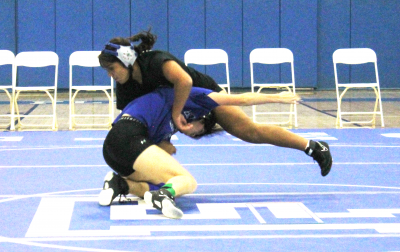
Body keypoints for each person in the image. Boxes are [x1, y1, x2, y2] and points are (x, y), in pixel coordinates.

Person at [99, 85, 321, 219]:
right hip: (127, 138)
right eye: (198, 133)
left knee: (158, 180)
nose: (192, 135)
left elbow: (164, 150)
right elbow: (241, 99)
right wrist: (277, 98)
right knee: (187, 181)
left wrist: (167, 147)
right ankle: (163, 197)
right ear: (202, 119)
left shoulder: (168, 122)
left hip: (112, 149)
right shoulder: (195, 97)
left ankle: (120, 184)